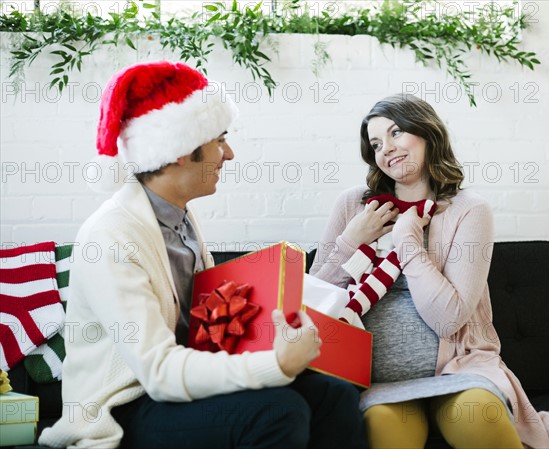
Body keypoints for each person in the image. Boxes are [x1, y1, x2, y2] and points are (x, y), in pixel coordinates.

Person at [38, 61, 368, 449]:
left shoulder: (181, 218)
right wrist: (275, 365)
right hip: (127, 407)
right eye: (220, 139)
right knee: (278, 411)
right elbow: (158, 371)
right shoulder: (111, 237)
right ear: (180, 150)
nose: (228, 154)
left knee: (335, 397)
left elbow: (205, 327)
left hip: (182, 387)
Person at [309, 93, 549, 449]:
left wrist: (408, 240)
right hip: (378, 382)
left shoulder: (468, 210)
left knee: (478, 417)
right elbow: (310, 301)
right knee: (385, 432)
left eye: (397, 132)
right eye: (375, 143)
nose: (386, 148)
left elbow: (449, 320)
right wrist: (349, 242)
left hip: (462, 369)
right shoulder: (354, 205)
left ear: (428, 133)